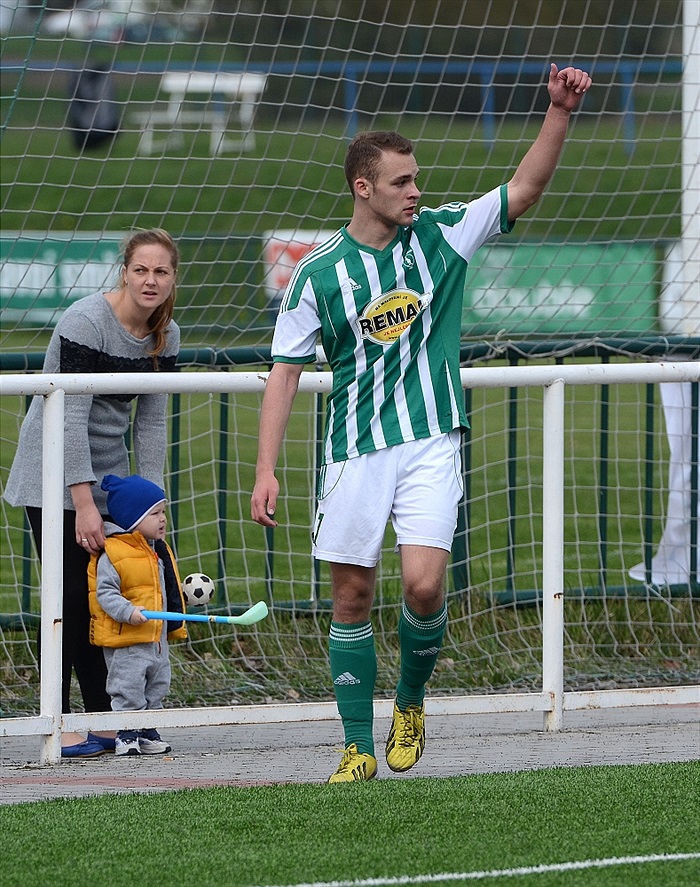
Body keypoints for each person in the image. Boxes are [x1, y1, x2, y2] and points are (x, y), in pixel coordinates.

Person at [251, 64, 592, 782]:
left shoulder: (442, 235)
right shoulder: (318, 274)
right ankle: (356, 746)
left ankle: (410, 700)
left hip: (431, 438)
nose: (416, 191)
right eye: (401, 181)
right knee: (351, 595)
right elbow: (284, 373)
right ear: (363, 187)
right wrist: (266, 468)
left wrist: (559, 111)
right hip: (353, 449)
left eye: (417, 179)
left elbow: (523, 189)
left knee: (424, 588)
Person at [4, 228, 180, 757]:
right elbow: (68, 418)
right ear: (124, 272)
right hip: (53, 470)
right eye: (140, 270)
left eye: (161, 271)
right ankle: (57, 725)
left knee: (106, 599)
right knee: (68, 603)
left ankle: (108, 724)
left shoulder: (166, 335)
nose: (150, 281)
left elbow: (151, 424)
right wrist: (81, 503)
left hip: (110, 479)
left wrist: (150, 504)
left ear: (173, 279)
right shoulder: (85, 321)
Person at [88, 474, 187, 756]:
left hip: (156, 641)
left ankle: (147, 730)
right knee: (127, 687)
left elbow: (159, 590)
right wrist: (128, 612)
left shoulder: (157, 552)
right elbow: (105, 593)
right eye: (154, 513)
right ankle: (126, 734)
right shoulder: (114, 553)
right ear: (133, 518)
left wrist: (183, 596)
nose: (163, 519)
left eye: (163, 512)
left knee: (157, 686)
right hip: (128, 640)